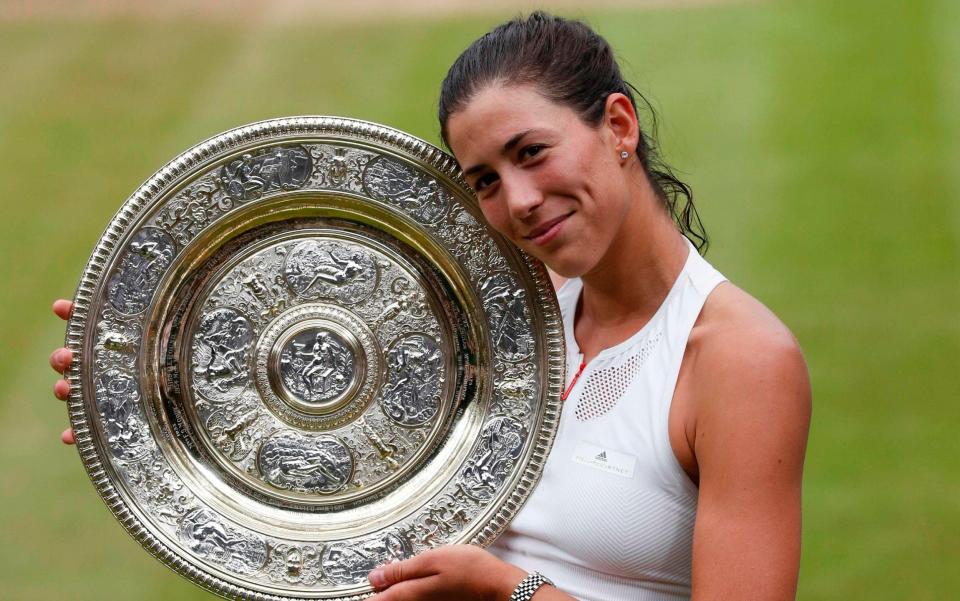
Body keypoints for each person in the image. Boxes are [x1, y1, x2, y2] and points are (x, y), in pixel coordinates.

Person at [49, 12, 811, 601]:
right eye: (483, 180)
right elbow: (341, 435)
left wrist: (503, 588)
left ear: (617, 125)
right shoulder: (493, 315)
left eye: (532, 152)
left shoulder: (740, 360)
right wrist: (144, 396)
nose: (517, 202)